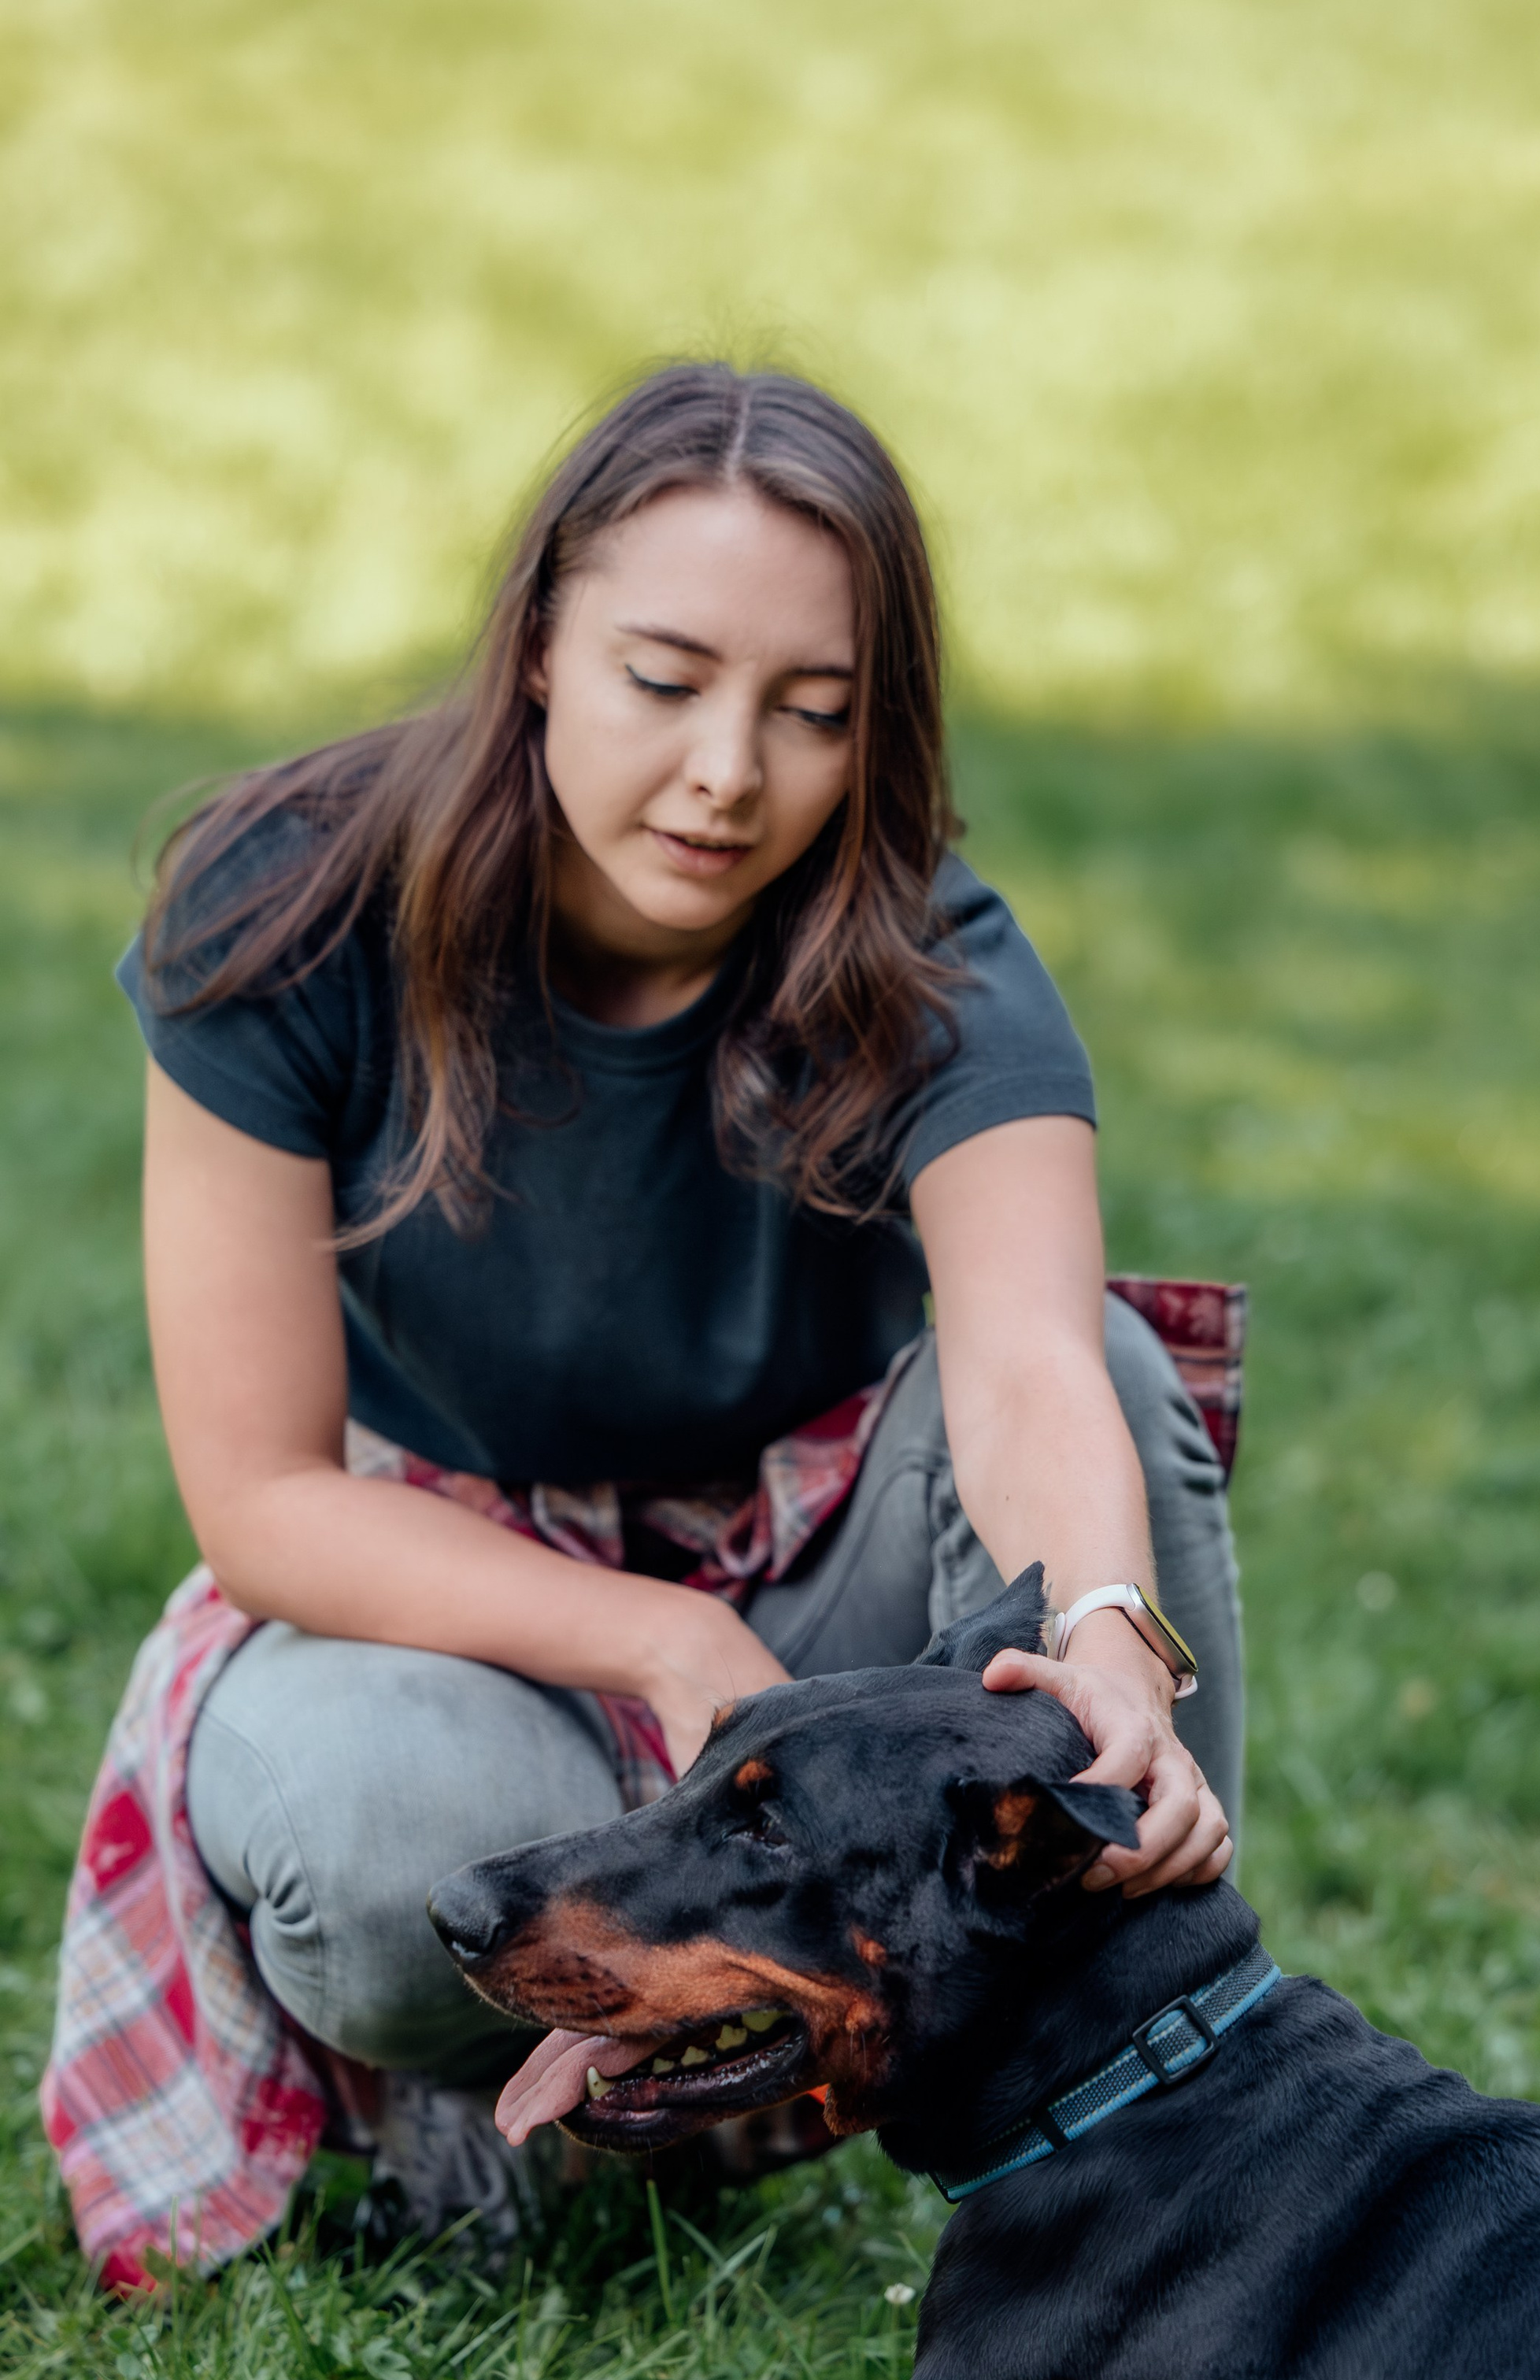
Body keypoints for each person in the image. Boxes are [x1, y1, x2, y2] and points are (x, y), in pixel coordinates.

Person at [45, 361, 1242, 2276]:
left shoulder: (927, 957)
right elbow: (262, 1497)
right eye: (663, 680)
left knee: (1108, 1352)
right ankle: (523, 2096)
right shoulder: (281, 914)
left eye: (812, 712)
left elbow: (1023, 1359)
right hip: (449, 1603)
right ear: (534, 647)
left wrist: (1106, 1644)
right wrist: (658, 1635)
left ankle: (1122, 2161)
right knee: (370, 1840)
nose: (724, 774)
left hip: (826, 1599)